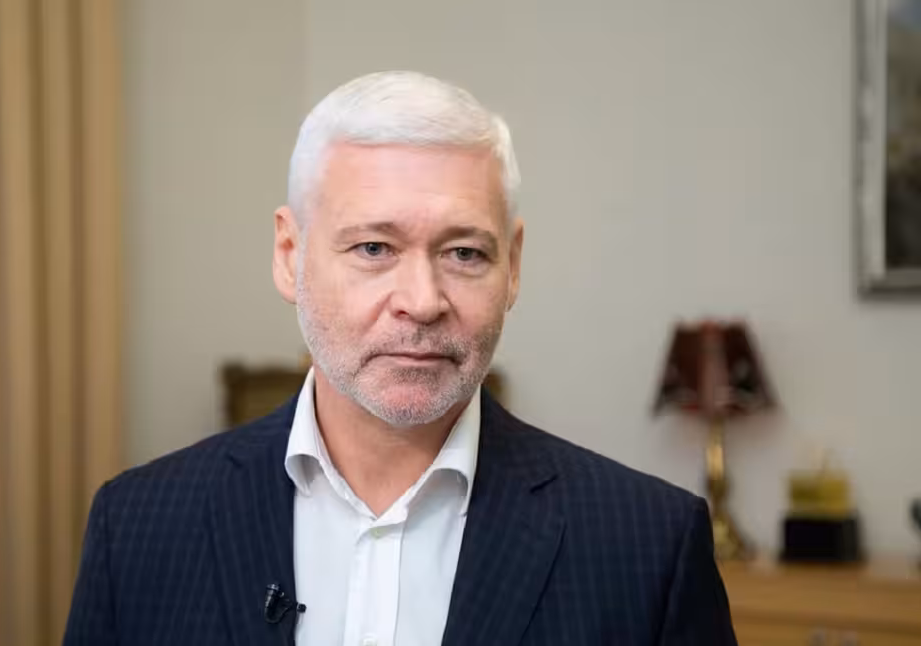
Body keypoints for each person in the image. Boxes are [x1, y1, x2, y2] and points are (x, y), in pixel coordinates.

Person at [63, 71, 736, 646]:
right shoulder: (139, 527)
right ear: (290, 256)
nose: (421, 301)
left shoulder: (648, 547)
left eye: (464, 253)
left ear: (513, 266)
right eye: (374, 249)